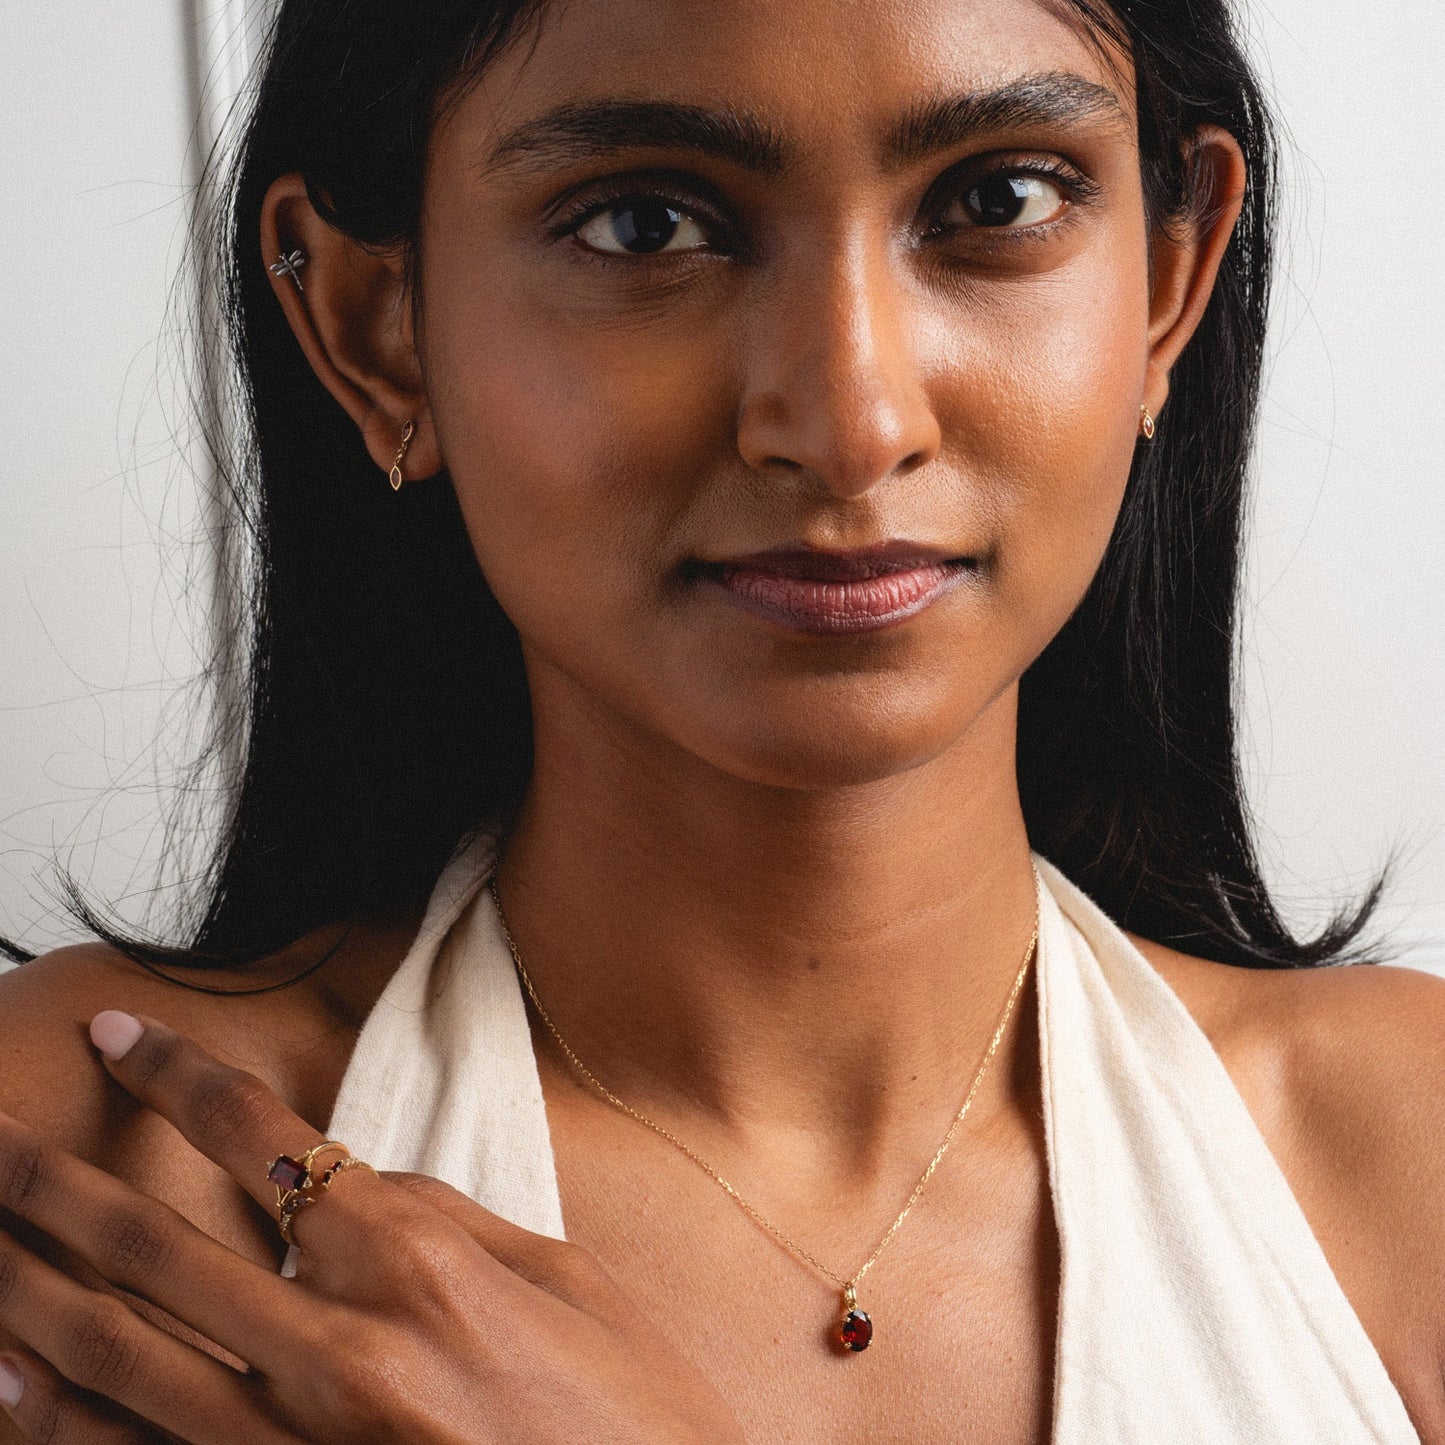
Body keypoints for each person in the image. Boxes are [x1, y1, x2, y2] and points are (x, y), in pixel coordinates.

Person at [0, 0, 1440, 1439]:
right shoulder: (97, 1170)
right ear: (378, 327)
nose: (848, 417)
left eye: (994, 199)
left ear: (1166, 285)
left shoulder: (1403, 1160)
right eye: (643, 224)